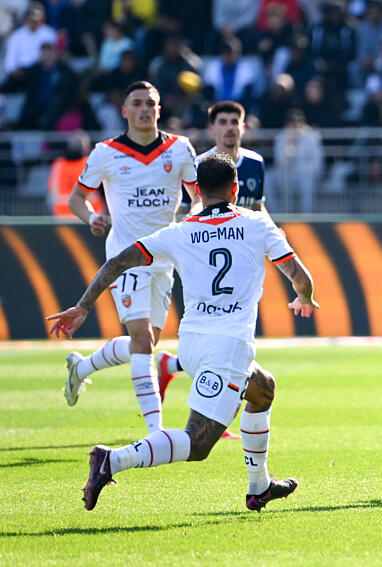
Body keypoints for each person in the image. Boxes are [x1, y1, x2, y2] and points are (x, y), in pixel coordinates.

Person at [47, 153, 319, 512]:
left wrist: (83, 306)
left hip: (190, 345)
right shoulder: (258, 224)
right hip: (228, 347)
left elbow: (116, 263)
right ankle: (111, 460)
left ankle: (259, 487)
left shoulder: (180, 231)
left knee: (263, 389)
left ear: (199, 191)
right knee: (197, 445)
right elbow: (300, 277)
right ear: (235, 189)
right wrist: (305, 299)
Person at [63, 81, 201, 435]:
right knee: (142, 339)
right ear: (124, 111)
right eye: (137, 103)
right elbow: (77, 199)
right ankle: (156, 433)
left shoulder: (179, 148)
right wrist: (92, 217)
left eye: (150, 103)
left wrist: (194, 218)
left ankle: (81, 368)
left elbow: (197, 196)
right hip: (125, 258)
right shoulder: (106, 152)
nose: (144, 109)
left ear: (160, 109)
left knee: (147, 343)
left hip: (164, 257)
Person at [157, 100, 268, 408]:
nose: (230, 127)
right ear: (213, 128)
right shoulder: (201, 165)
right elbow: (192, 206)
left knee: (234, 335)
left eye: (235, 121)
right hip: (211, 258)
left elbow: (257, 206)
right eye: (224, 122)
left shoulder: (255, 163)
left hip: (244, 258)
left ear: (243, 126)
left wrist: (273, 240)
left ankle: (171, 366)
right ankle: (218, 409)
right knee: (223, 336)